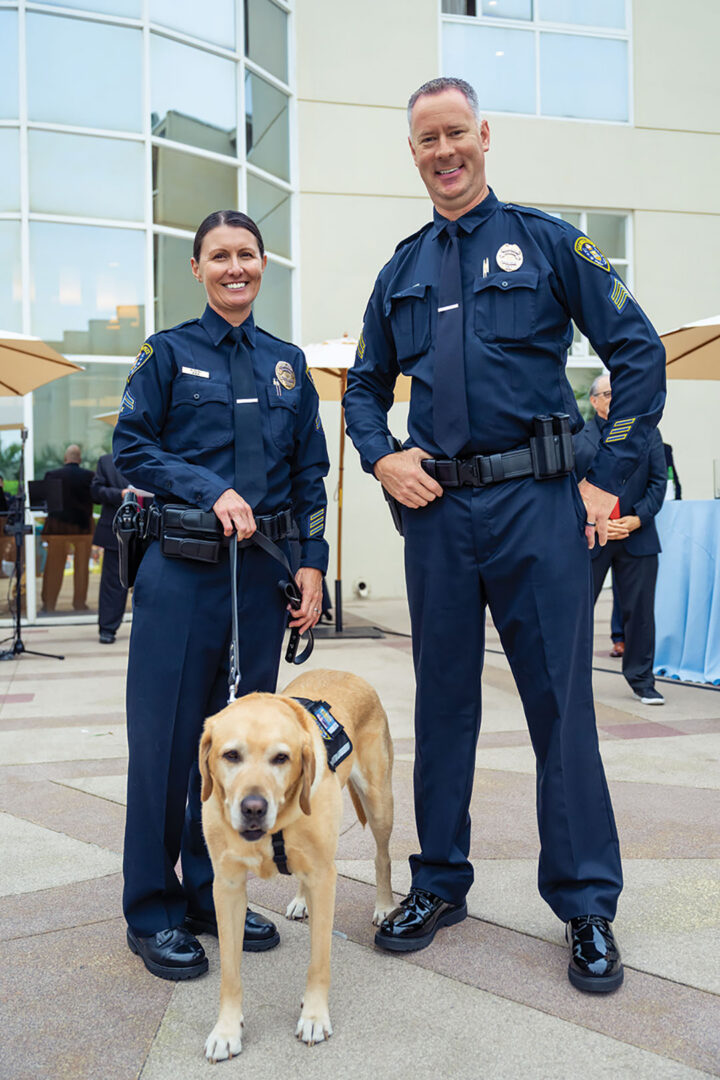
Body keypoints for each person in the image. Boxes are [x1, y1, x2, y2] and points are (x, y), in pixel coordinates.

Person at [343, 77, 666, 992]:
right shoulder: (400, 270)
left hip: (538, 505)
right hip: (438, 515)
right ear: (413, 153)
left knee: (561, 707)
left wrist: (608, 474)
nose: (443, 151)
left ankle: (587, 903)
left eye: (456, 133)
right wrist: (381, 457)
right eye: (427, 140)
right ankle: (439, 883)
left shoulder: (549, 241)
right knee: (443, 705)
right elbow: (363, 386)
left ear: (483, 136)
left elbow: (638, 350)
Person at [113, 210, 329, 981]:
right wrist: (210, 489)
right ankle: (152, 910)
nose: (235, 267)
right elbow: (131, 447)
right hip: (182, 573)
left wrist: (312, 564)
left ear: (263, 264)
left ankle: (211, 896)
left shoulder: (288, 364)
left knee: (241, 755)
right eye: (219, 256)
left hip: (262, 580)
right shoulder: (167, 353)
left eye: (247, 254)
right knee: (166, 752)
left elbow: (310, 475)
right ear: (198, 269)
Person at [575, 374, 666, 705]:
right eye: (609, 393)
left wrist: (637, 518)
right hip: (590, 537)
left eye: (619, 392)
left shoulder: (646, 432)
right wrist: (591, 518)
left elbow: (658, 482)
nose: (615, 398)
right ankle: (574, 683)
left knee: (639, 613)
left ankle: (642, 681)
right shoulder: (577, 438)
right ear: (595, 401)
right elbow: (569, 487)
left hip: (636, 535)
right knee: (577, 613)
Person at [40, 445, 94, 612]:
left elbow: (45, 501)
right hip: (83, 528)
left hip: (58, 528)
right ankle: (79, 603)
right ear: (79, 459)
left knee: (54, 567)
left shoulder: (52, 475)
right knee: (82, 567)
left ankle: (49, 604)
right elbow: (97, 498)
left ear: (65, 459)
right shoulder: (89, 476)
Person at [91, 453, 131, 644]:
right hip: (115, 531)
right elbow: (96, 491)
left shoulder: (152, 457)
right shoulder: (106, 461)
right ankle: (107, 628)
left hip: (150, 530)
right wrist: (120, 494)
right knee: (113, 582)